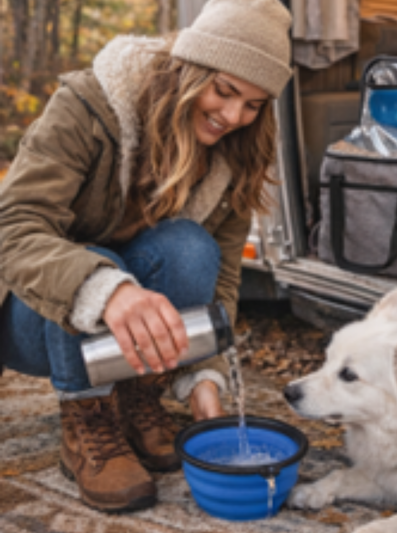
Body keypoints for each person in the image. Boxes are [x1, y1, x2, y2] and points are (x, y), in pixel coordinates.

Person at [0, 0, 292, 513]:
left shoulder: (235, 150)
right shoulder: (87, 106)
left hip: (122, 326)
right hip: (31, 320)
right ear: (190, 67)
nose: (233, 117)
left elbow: (221, 279)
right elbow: (14, 228)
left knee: (189, 246)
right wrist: (107, 290)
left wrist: (203, 376)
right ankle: (87, 417)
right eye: (223, 90)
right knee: (90, 256)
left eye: (254, 103)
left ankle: (139, 395)